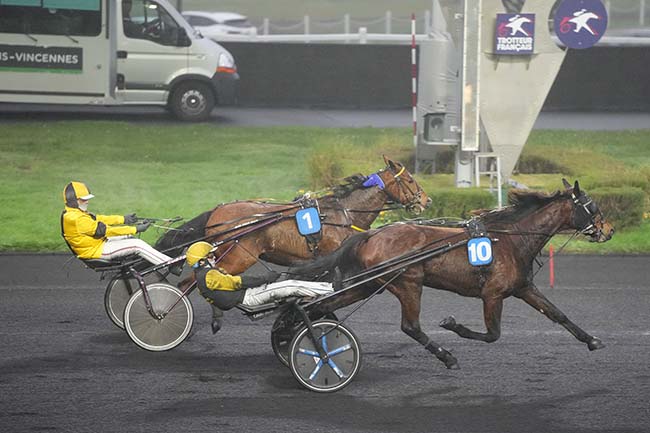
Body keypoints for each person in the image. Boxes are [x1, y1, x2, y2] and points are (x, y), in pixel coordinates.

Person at [185, 241, 335, 333]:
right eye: (210, 256)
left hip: (246, 296)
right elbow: (237, 282)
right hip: (249, 297)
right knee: (291, 285)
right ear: (202, 261)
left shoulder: (203, 277)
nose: (214, 258)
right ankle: (332, 288)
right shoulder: (209, 275)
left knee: (287, 283)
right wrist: (265, 278)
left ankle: (322, 287)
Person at [61, 181, 173, 267]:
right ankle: (170, 264)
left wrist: (124, 219)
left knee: (128, 237)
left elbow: (100, 219)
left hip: (96, 245)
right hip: (95, 252)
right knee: (137, 244)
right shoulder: (76, 218)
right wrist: (135, 229)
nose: (87, 201)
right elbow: (107, 231)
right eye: (83, 199)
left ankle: (149, 261)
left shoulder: (74, 213)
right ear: (73, 200)